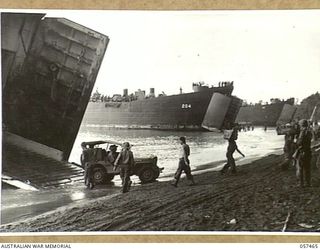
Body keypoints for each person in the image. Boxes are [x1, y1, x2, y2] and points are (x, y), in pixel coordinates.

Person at [295, 119, 313, 187]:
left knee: (300, 168)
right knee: (307, 168)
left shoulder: (303, 132)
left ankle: (301, 183)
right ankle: (308, 183)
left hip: (302, 152)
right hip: (308, 151)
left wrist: (296, 141)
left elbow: (300, 142)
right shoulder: (309, 132)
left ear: (301, 125)